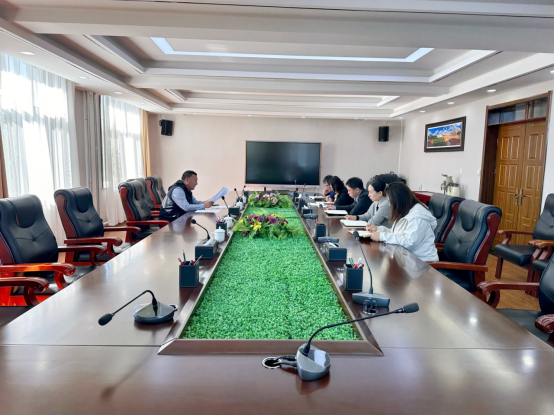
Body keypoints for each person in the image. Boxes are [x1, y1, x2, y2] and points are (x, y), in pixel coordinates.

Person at [366, 182, 439, 262]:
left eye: (390, 201)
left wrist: (382, 236)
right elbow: (397, 234)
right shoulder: (406, 211)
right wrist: (378, 229)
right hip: (407, 259)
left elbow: (409, 242)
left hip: (422, 263)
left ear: (398, 200)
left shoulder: (417, 217)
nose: (389, 205)